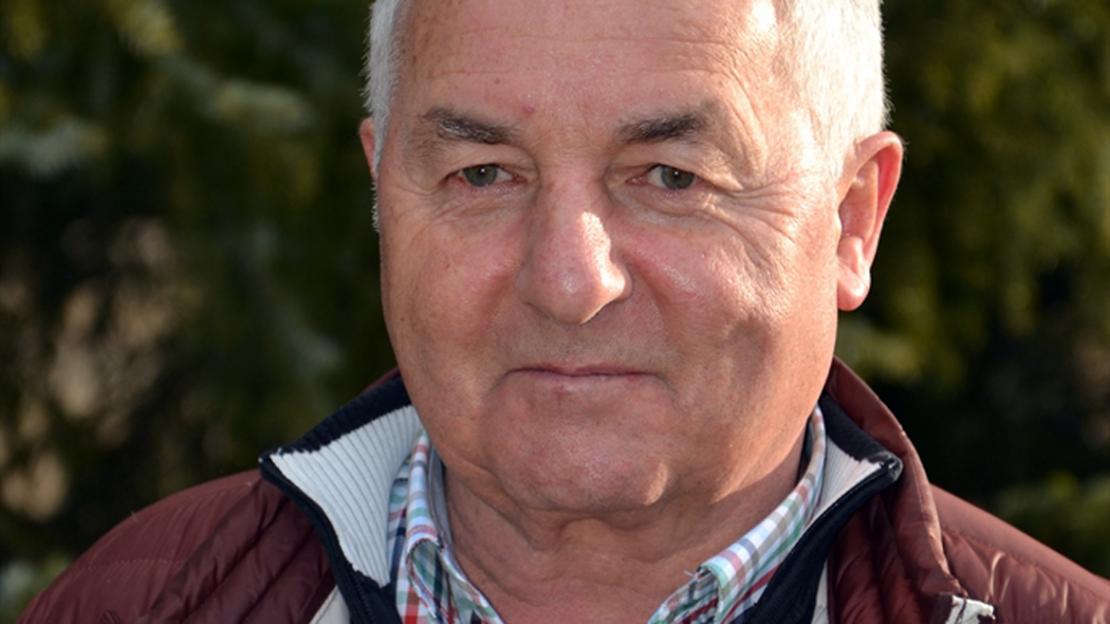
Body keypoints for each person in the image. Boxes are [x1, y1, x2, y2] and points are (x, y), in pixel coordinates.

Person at [21, 0, 1110, 622]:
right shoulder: (136, 606)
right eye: (484, 173)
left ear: (852, 219)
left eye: (670, 177)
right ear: (383, 191)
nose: (569, 281)